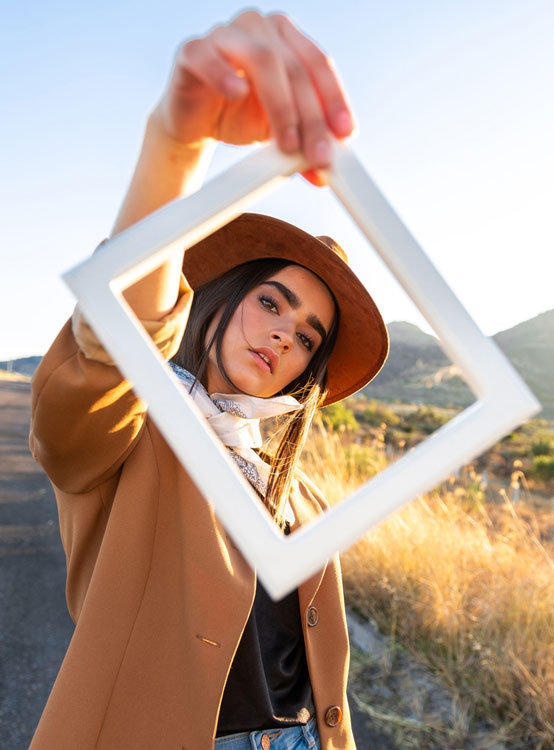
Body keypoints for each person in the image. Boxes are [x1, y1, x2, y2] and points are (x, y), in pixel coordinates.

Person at [29, 10, 388, 750]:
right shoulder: (129, 431)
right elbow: (118, 340)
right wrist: (176, 143)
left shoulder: (304, 494)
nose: (286, 332)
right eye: (271, 302)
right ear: (220, 303)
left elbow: (317, 668)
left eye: (308, 335)